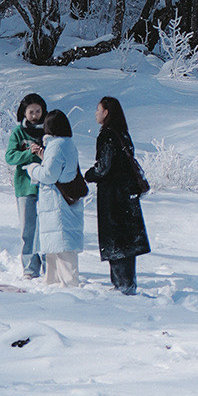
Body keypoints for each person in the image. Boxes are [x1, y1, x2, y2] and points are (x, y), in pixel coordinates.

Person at [86, 94, 150, 292]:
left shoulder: (107, 134)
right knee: (127, 241)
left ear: (106, 112)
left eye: (98, 109)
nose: (96, 113)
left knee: (117, 241)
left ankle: (122, 284)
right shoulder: (122, 132)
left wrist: (89, 175)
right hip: (127, 193)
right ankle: (127, 282)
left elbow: (103, 167)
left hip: (113, 195)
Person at [26, 108, 85, 286]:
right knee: (54, 246)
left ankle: (67, 284)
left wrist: (32, 169)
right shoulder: (65, 144)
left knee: (61, 245)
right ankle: (52, 281)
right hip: (56, 202)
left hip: (57, 202)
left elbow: (50, 175)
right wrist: (44, 156)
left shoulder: (57, 145)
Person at [4, 92, 48, 280]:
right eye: (31, 112)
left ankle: (49, 265)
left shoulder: (48, 129)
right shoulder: (18, 132)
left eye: (38, 111)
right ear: (24, 112)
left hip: (47, 186)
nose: (35, 115)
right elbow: (10, 157)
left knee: (46, 228)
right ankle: (30, 267)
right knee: (28, 229)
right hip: (25, 186)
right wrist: (30, 154)